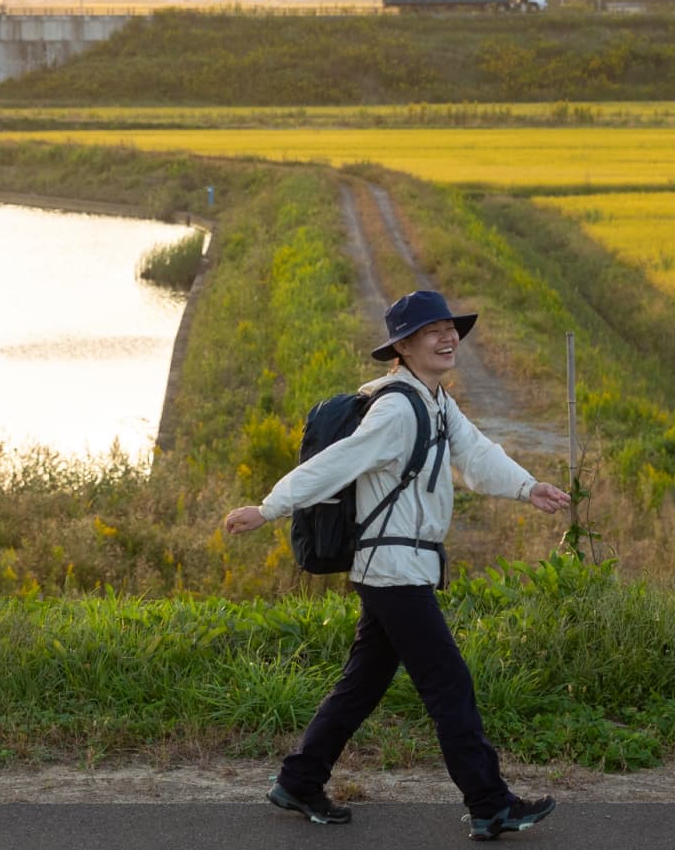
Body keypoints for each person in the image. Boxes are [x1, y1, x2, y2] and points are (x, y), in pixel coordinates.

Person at [223, 289, 573, 840]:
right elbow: (335, 463)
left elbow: (476, 454)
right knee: (449, 684)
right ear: (402, 347)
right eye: (431, 330)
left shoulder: (436, 401)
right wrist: (269, 508)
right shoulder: (395, 409)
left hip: (401, 569)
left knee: (362, 685)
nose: (448, 337)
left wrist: (528, 487)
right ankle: (490, 803)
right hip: (393, 572)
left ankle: (300, 779)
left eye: (450, 328)